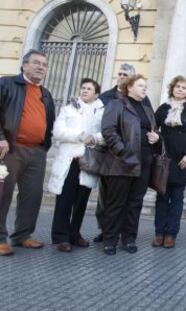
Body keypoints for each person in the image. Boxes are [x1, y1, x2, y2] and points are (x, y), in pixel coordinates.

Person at [0, 49, 55, 256]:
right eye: (36, 63)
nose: (41, 67)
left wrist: (44, 146)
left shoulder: (46, 94)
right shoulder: (6, 84)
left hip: (37, 151)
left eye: (44, 64)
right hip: (10, 149)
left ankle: (22, 235)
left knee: (32, 195)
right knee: (2, 194)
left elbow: (49, 123)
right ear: (24, 65)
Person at [100, 74, 159, 255]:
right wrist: (122, 151)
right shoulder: (117, 105)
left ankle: (129, 238)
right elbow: (108, 130)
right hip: (121, 162)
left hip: (144, 162)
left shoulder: (148, 109)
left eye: (145, 86)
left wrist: (156, 137)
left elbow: (154, 131)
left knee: (135, 203)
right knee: (116, 203)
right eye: (141, 85)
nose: (144, 89)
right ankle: (110, 239)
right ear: (130, 87)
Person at [48, 78, 104, 252]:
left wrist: (95, 138)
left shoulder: (101, 112)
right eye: (83, 88)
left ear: (96, 94)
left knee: (81, 200)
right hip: (70, 160)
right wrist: (79, 136)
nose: (85, 91)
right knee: (65, 199)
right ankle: (60, 237)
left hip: (87, 161)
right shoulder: (68, 109)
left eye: (89, 89)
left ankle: (74, 234)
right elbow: (57, 131)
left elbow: (106, 133)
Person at [152, 76, 186, 248]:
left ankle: (171, 234)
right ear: (172, 89)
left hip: (183, 161)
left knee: (177, 198)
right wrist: (156, 140)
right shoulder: (163, 109)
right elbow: (153, 128)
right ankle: (159, 232)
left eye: (184, 87)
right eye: (178, 87)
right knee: (161, 197)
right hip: (165, 159)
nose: (181, 89)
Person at [94, 63, 136, 243]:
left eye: (125, 74)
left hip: (129, 157)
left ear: (132, 78)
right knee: (105, 196)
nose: (120, 77)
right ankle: (105, 230)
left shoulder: (138, 98)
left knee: (125, 197)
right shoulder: (106, 97)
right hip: (108, 154)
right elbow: (100, 124)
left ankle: (119, 231)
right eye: (119, 73)